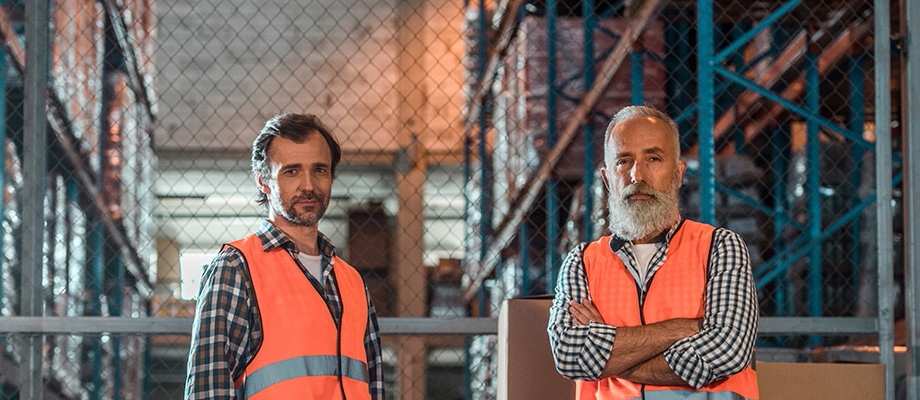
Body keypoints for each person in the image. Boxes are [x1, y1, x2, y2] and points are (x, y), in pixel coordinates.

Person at [546, 105, 759, 399]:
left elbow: (726, 351)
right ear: (608, 180)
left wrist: (606, 355)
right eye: (624, 161)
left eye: (654, 158)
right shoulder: (582, 263)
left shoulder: (720, 248)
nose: (638, 175)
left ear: (678, 172)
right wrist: (681, 329)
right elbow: (570, 355)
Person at [185, 113, 385, 399]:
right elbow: (208, 389)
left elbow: (373, 386)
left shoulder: (352, 281)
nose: (308, 185)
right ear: (263, 181)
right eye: (291, 171)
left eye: (320, 170)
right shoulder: (237, 268)